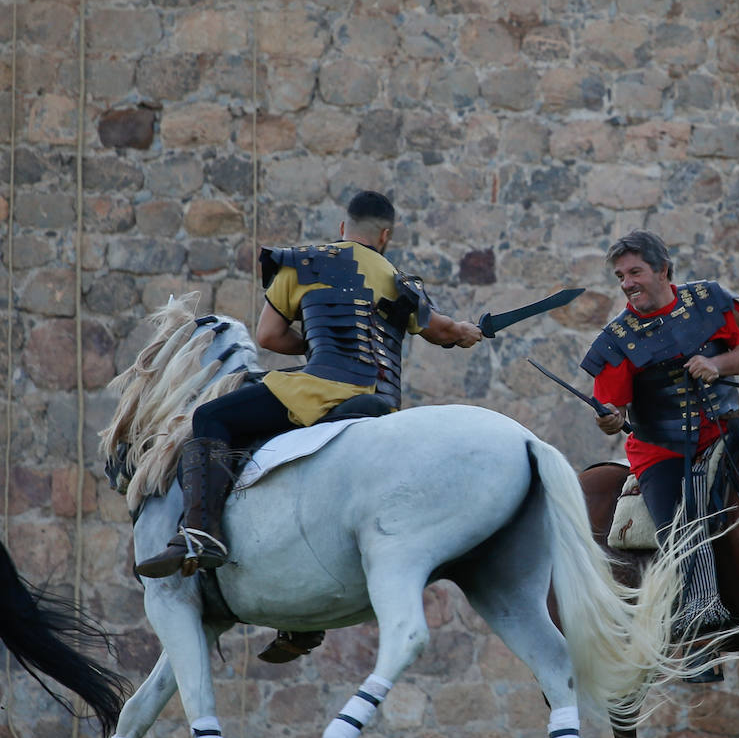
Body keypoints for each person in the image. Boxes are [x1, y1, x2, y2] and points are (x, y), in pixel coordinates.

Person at [137, 191, 482, 666]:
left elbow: (268, 337)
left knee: (211, 418)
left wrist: (316, 344)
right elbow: (443, 331)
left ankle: (201, 531)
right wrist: (466, 331)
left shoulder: (301, 264)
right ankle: (301, 620)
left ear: (344, 229)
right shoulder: (394, 278)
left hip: (318, 391)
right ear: (385, 236)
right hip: (379, 402)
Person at [581, 231, 739, 677]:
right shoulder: (617, 339)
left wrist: (718, 365)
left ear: (663, 270)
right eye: (621, 276)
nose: (627, 283)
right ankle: (698, 634)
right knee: (678, 532)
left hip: (729, 427)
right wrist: (607, 419)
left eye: (635, 272)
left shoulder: (711, 301)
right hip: (660, 451)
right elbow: (612, 407)